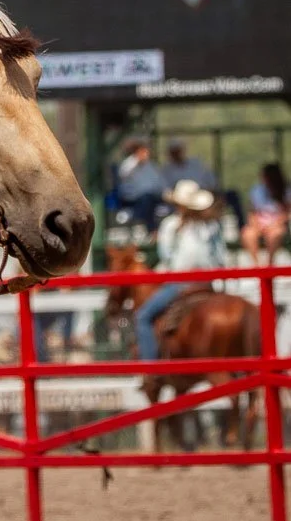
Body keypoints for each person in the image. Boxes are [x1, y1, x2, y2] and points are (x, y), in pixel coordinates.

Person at [133, 179, 226, 361]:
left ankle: (151, 369)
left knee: (143, 317)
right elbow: (220, 258)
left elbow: (166, 255)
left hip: (180, 284)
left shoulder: (171, 226)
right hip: (208, 282)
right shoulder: (211, 226)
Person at [113, 142, 165, 231]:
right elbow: (123, 173)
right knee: (146, 201)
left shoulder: (151, 165)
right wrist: (138, 160)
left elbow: (158, 182)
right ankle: (151, 230)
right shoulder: (129, 163)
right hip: (133, 199)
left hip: (152, 197)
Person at [241, 162, 289, 260]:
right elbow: (252, 212)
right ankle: (256, 265)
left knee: (275, 235)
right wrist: (256, 225)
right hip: (259, 225)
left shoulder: (286, 191)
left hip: (277, 225)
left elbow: (287, 213)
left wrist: (275, 225)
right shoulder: (256, 190)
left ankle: (269, 263)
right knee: (248, 234)